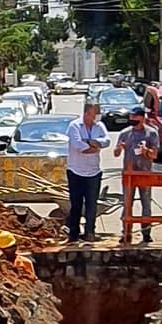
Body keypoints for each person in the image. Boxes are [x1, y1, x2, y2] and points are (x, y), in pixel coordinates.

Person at [114, 103, 160, 243]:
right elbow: (116, 153)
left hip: (145, 174)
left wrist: (147, 151)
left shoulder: (151, 133)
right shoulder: (125, 133)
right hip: (129, 175)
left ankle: (146, 233)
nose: (133, 119)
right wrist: (120, 148)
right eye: (131, 117)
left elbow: (155, 155)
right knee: (127, 203)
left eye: (135, 117)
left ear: (142, 118)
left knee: (146, 203)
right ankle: (126, 232)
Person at [65, 99, 109, 242]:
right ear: (86, 113)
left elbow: (106, 141)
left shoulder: (99, 126)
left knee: (92, 205)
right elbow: (79, 146)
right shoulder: (75, 126)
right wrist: (95, 146)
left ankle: (90, 232)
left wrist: (90, 142)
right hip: (76, 171)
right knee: (76, 204)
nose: (96, 117)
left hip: (94, 172)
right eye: (94, 113)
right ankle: (74, 234)